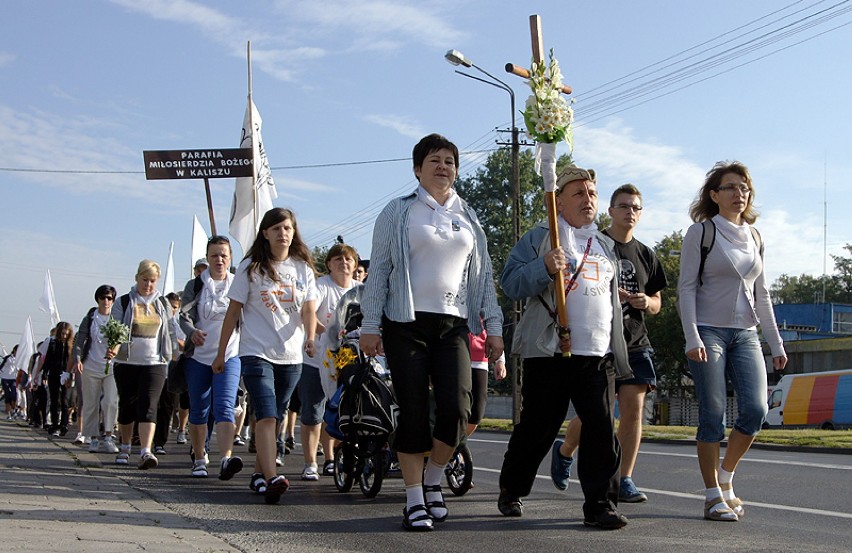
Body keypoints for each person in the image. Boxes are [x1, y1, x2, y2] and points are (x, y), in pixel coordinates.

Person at [359, 133, 504, 532]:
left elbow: (483, 275)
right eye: (434, 160)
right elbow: (381, 272)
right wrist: (370, 325)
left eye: (450, 161)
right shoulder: (399, 211)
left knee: (459, 410)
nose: (443, 166)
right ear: (417, 169)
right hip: (405, 323)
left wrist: (493, 326)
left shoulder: (468, 215)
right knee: (414, 411)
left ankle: (433, 479)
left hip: (454, 324)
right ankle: (413, 499)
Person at [497, 166, 630, 530]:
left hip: (597, 355)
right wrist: (543, 266)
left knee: (602, 429)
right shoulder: (540, 237)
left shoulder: (604, 244)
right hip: (550, 351)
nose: (588, 200)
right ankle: (512, 488)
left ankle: (600, 506)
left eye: (592, 193)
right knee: (539, 428)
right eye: (578, 193)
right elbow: (510, 282)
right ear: (557, 201)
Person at [678, 161, 787, 522]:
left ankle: (726, 477)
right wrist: (692, 335)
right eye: (731, 187)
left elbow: (763, 293)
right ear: (714, 194)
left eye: (744, 188)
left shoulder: (755, 236)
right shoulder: (701, 232)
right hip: (707, 331)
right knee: (712, 413)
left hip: (746, 334)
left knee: (756, 410)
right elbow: (687, 289)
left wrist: (776, 343)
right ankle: (712, 496)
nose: (739, 193)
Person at [551, 184, 667, 503]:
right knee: (598, 413)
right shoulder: (596, 242)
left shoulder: (646, 254)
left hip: (636, 341)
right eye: (624, 206)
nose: (630, 212)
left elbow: (659, 301)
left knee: (632, 409)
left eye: (636, 208)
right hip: (599, 339)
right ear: (610, 211)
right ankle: (564, 450)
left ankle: (625, 478)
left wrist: (647, 302)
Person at [214, 207, 318, 505]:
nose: (283, 233)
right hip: (255, 351)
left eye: (288, 228)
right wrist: (221, 353)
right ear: (265, 233)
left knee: (275, 414)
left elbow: (309, 309)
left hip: (291, 355)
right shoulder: (251, 267)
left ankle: (259, 475)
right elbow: (233, 311)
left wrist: (310, 338)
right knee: (268, 413)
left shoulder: (303, 269)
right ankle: (272, 479)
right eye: (277, 229)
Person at [179, 235, 244, 480]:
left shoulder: (239, 284)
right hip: (198, 357)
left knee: (225, 407)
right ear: (207, 258)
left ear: (230, 259)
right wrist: (192, 332)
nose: (219, 260)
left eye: (224, 255)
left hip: (229, 355)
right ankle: (199, 458)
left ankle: (225, 458)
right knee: (199, 409)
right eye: (214, 255)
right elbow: (183, 316)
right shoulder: (195, 286)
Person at [299, 243, 359, 480]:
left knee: (342, 412)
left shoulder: (360, 289)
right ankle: (310, 462)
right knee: (313, 412)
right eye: (338, 259)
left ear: (355, 265)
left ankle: (332, 458)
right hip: (317, 360)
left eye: (348, 260)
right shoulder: (321, 286)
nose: (344, 263)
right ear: (329, 264)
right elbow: (310, 313)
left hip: (348, 361)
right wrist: (327, 332)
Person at [111, 259, 177, 470]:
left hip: (154, 362)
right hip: (127, 361)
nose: (148, 285)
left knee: (149, 405)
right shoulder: (123, 302)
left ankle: (145, 451)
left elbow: (171, 329)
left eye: (152, 281)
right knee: (128, 405)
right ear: (137, 278)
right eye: (144, 280)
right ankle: (124, 446)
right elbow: (115, 329)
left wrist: (174, 351)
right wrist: (114, 345)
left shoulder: (163, 304)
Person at [69, 285, 120, 454]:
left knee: (111, 401)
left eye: (110, 298)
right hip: (91, 365)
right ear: (97, 299)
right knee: (91, 403)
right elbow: (79, 340)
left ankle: (108, 435)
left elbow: (123, 339)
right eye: (103, 298)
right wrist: (77, 359)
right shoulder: (91, 317)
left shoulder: (116, 318)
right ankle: (93, 438)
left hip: (111, 366)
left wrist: (116, 350)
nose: (106, 301)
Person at [153, 292, 186, 455]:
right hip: (154, 367)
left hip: (171, 370)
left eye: (174, 307)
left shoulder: (177, 324)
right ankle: (143, 437)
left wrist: (177, 344)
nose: (171, 310)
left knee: (167, 408)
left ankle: (160, 442)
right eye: (169, 307)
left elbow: (184, 343)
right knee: (151, 405)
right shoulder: (156, 320)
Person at [36, 322, 76, 437]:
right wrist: (44, 374)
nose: (64, 336)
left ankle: (64, 424)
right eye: (62, 334)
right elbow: (47, 360)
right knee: (54, 400)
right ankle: (54, 424)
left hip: (66, 374)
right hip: (53, 374)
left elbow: (73, 360)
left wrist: (71, 374)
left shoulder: (71, 345)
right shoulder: (53, 343)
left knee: (65, 400)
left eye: (66, 334)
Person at [1, 346, 19, 420]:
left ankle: (13, 410)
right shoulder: (8, 358)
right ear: (14, 350)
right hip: (5, 378)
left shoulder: (19, 359)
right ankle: (8, 413)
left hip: (13, 379)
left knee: (14, 395)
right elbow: (1, 365)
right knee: (7, 395)